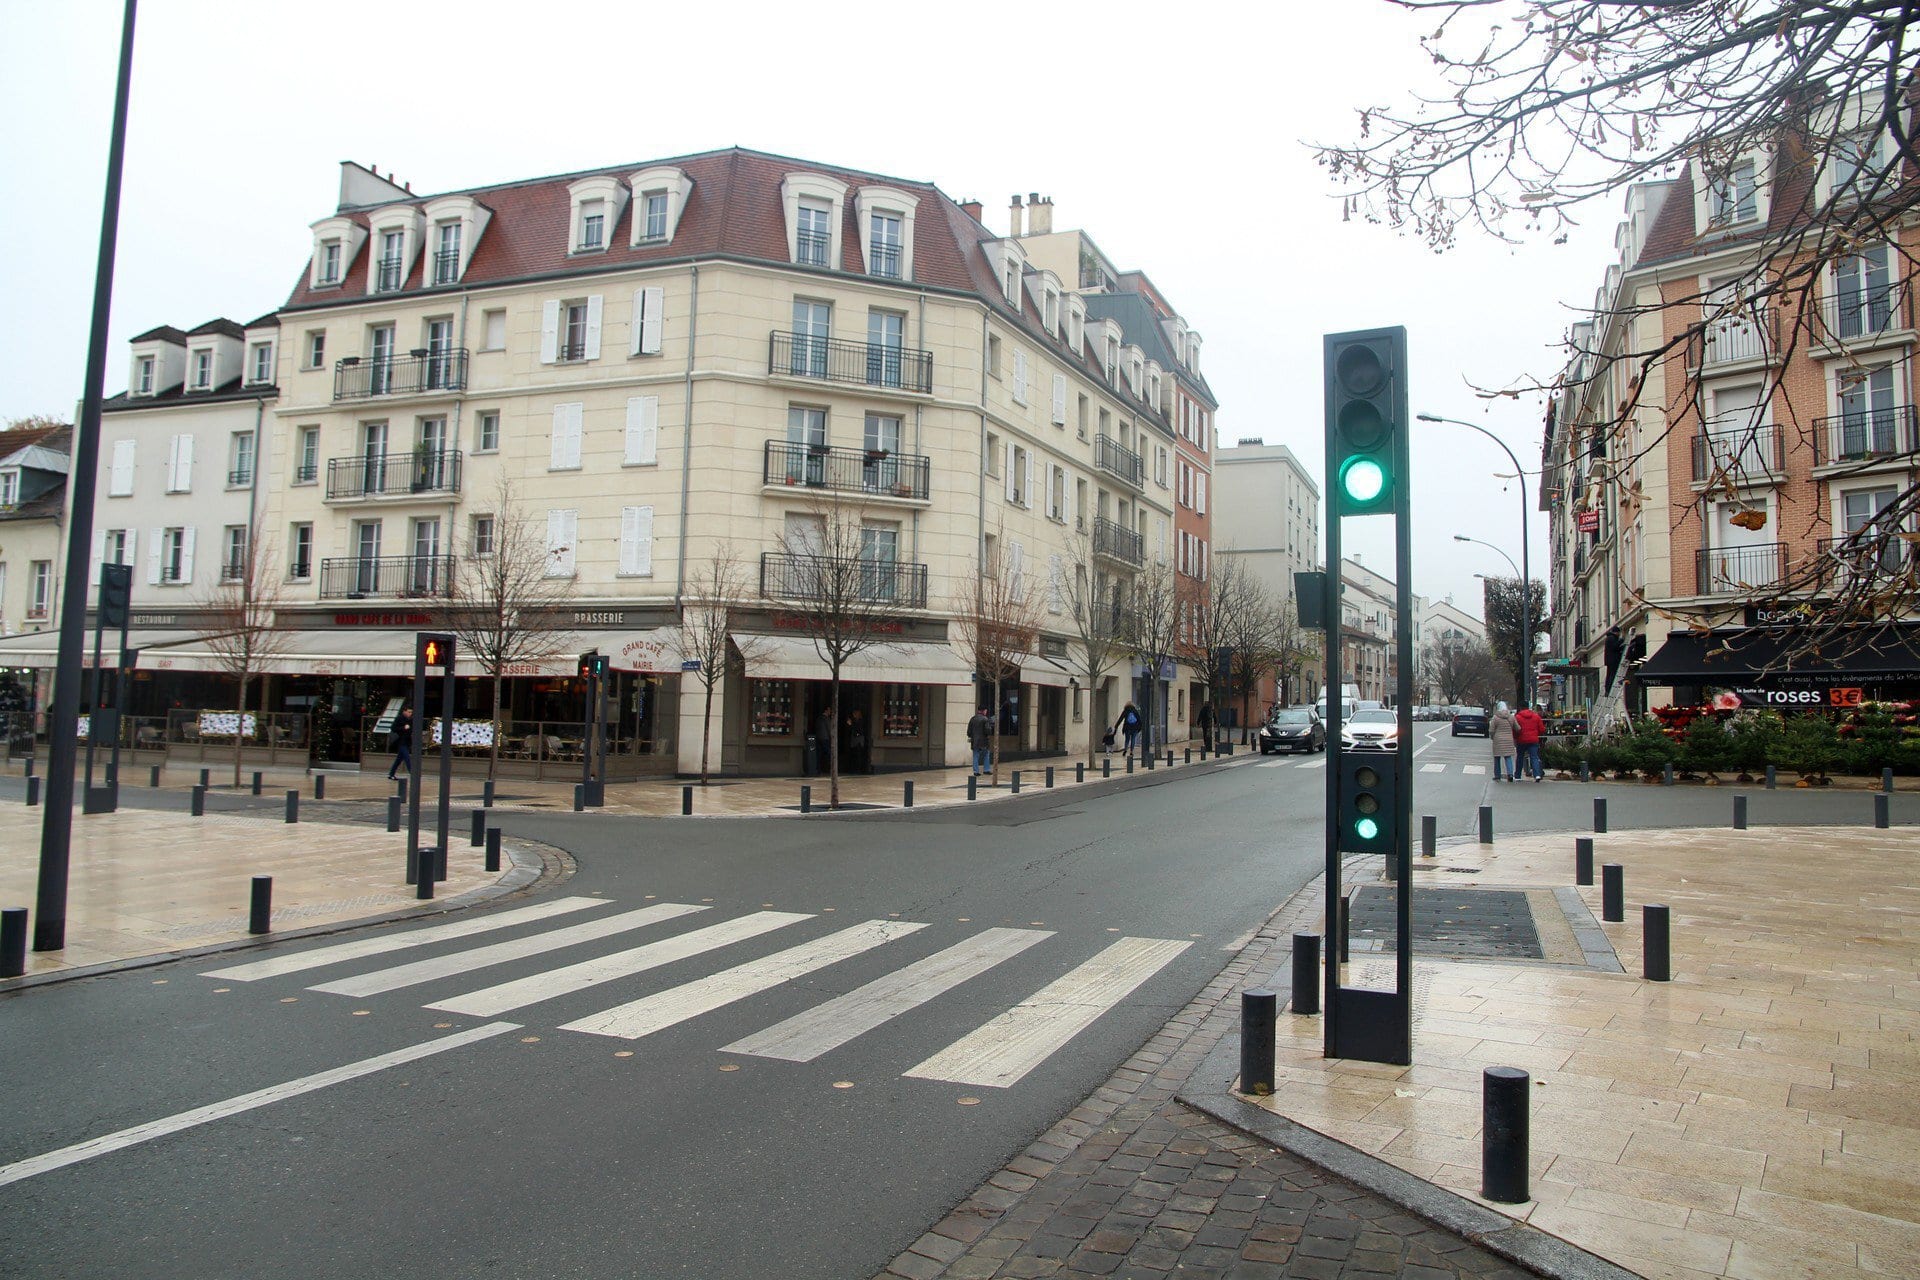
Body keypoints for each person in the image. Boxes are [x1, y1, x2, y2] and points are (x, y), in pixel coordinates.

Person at [1513, 702, 1546, 782]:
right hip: (1533, 740)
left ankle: (1517, 775)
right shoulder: (1536, 717)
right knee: (1534, 757)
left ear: (1520, 708)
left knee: (1520, 757)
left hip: (1521, 740)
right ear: (1529, 707)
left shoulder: (1517, 717)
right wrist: (1536, 734)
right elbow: (1542, 729)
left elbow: (1515, 730)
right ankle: (1537, 775)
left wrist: (1515, 738)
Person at [1489, 702, 1516, 782]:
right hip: (1509, 739)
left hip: (1498, 739)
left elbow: (1491, 730)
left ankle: (1497, 775)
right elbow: (1517, 728)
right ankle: (1510, 774)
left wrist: (1492, 736)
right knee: (1508, 757)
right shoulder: (1511, 717)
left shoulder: (1495, 717)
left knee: (1497, 757)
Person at [388, 706, 414, 781]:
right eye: (409, 712)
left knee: (399, 759)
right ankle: (412, 773)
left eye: (411, 712)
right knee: (407, 757)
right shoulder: (399, 718)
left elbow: (411, 730)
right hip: (401, 741)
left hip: (407, 741)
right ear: (404, 711)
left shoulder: (410, 720)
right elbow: (393, 728)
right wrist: (403, 728)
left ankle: (391, 774)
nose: (410, 714)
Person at [966, 706, 993, 776]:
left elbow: (968, 732)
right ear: (983, 711)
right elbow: (988, 731)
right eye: (986, 711)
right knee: (986, 755)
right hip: (984, 742)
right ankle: (986, 770)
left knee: (975, 756)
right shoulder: (985, 719)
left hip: (975, 742)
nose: (986, 712)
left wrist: (972, 736)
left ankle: (976, 771)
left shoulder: (972, 719)